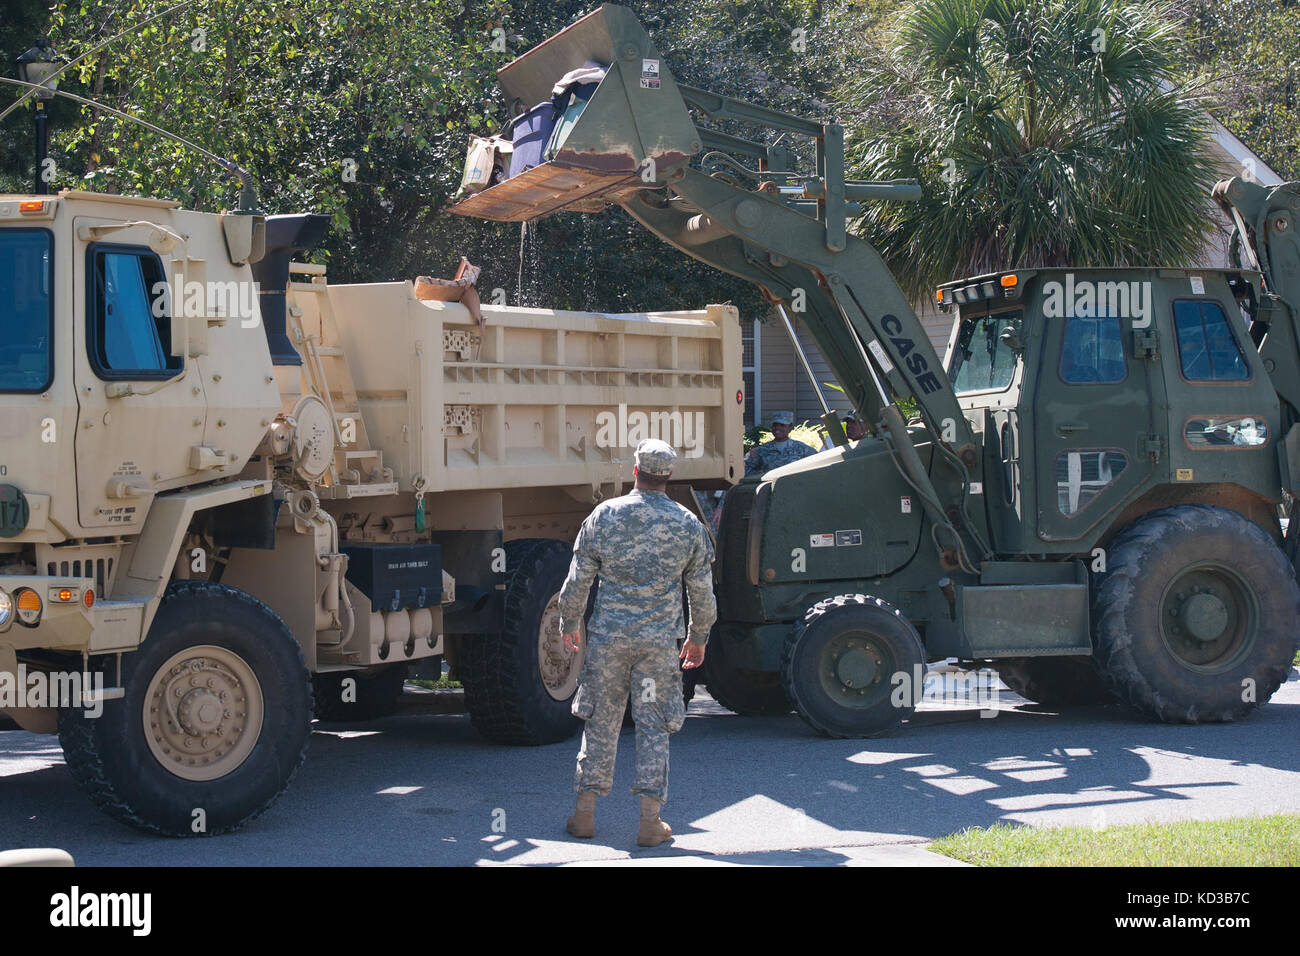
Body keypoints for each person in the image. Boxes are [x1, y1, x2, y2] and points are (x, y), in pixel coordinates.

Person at [558, 438, 717, 847]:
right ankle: (650, 822)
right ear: (669, 477)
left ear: (635, 471)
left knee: (601, 722)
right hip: (658, 643)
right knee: (653, 725)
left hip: (610, 638)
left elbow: (578, 580)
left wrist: (569, 621)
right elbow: (701, 592)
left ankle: (584, 815)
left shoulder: (604, 515)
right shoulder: (687, 524)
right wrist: (698, 637)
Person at [745, 410, 818, 476]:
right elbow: (746, 470)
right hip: (770, 489)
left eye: (782, 425)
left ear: (790, 428)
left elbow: (818, 464)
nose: (777, 428)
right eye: (775, 425)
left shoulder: (802, 449)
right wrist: (761, 477)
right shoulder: (761, 450)